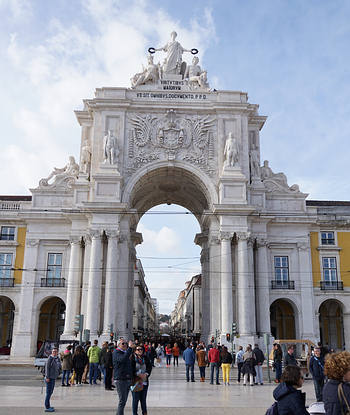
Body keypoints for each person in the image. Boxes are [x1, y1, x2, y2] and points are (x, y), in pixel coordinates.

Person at [113, 339, 135, 415]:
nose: (125, 345)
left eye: (126, 343)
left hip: (126, 378)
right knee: (122, 400)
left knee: (124, 400)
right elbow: (122, 359)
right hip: (120, 379)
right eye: (123, 343)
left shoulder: (125, 352)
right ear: (118, 345)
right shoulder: (116, 352)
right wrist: (130, 348)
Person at [131, 345, 152, 415]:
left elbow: (149, 367)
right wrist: (137, 374)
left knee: (143, 400)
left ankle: (144, 413)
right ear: (135, 351)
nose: (140, 351)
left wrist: (146, 374)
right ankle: (135, 413)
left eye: (141, 349)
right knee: (135, 399)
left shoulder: (145, 358)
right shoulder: (132, 358)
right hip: (136, 382)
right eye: (138, 349)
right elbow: (130, 369)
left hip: (144, 381)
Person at [44, 347, 61, 412]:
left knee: (51, 392)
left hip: (53, 377)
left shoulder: (56, 358)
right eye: (53, 351)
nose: (54, 353)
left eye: (56, 351)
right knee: (48, 392)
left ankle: (48, 405)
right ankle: (47, 407)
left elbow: (58, 366)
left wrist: (58, 372)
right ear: (52, 352)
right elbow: (47, 368)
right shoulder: (50, 359)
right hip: (49, 378)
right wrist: (47, 377)